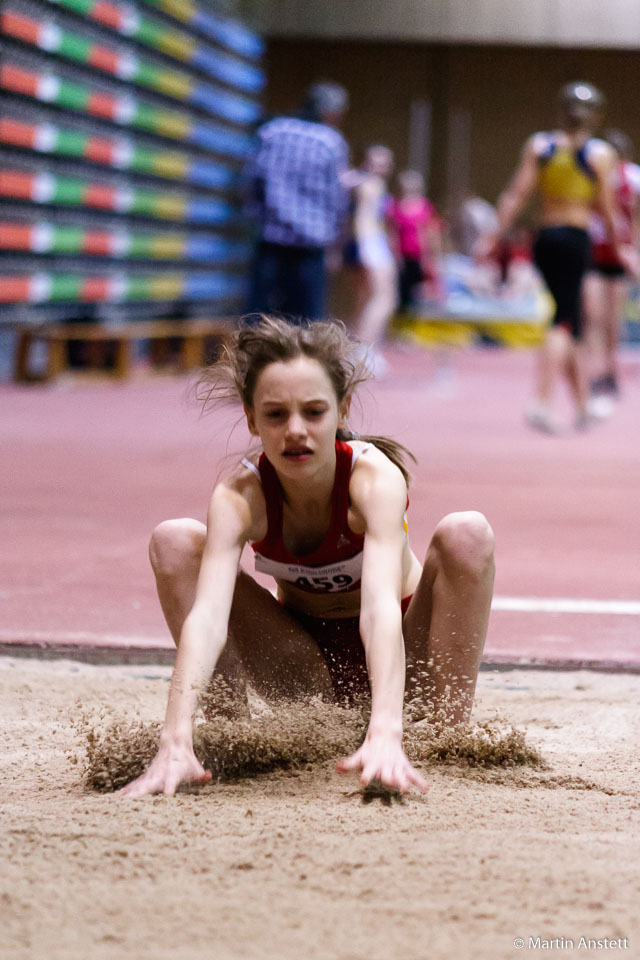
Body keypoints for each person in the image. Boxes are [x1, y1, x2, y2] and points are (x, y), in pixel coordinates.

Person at [118, 316, 495, 799]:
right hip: (304, 668)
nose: (295, 430)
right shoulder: (240, 495)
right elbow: (208, 617)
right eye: (276, 415)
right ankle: (221, 742)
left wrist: (385, 731)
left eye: (313, 412)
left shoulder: (373, 481)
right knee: (175, 540)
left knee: (467, 532)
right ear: (252, 419)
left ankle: (447, 739)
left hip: (405, 654)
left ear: (342, 410)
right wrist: (173, 735)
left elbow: (379, 610)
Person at [488, 81, 632, 434]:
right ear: (596, 117)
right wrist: (621, 248)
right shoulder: (599, 154)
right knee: (564, 321)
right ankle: (541, 400)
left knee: (569, 321)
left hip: (545, 238)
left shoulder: (541, 146)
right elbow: (609, 211)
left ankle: (583, 404)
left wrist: (491, 237)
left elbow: (515, 195)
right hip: (574, 239)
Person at [244, 82, 350, 323]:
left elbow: (252, 181)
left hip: (270, 239)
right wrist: (336, 241)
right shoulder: (330, 141)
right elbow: (336, 198)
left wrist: (257, 218)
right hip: (310, 245)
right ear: (330, 113)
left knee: (258, 317)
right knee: (305, 322)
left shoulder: (272, 131)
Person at [584, 129, 640, 416]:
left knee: (611, 318)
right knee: (594, 315)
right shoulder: (593, 175)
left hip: (619, 253)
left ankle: (610, 372)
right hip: (594, 251)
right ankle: (595, 373)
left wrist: (634, 250)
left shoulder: (633, 177)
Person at [346, 145, 398, 373]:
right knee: (385, 298)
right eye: (376, 162)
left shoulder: (368, 183)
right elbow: (363, 218)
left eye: (385, 162)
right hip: (372, 244)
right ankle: (365, 351)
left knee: (365, 299)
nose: (380, 167)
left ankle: (362, 349)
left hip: (371, 243)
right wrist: (366, 249)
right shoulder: (370, 185)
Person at [389, 169, 443, 311]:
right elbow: (393, 233)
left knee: (424, 287)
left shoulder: (424, 206)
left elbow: (430, 232)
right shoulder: (397, 206)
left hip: (420, 254)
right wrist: (395, 255)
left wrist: (430, 255)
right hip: (404, 254)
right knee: (403, 288)